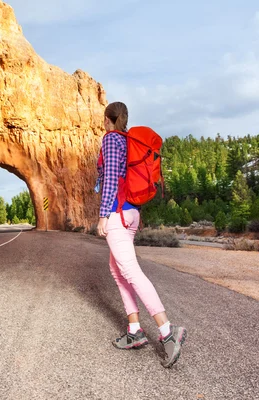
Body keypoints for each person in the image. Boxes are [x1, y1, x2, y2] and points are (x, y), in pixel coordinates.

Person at [95, 101, 187, 368]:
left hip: (117, 215)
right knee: (117, 270)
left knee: (131, 272)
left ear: (107, 119)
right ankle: (135, 331)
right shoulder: (127, 141)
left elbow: (111, 179)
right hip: (131, 213)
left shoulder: (112, 139)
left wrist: (103, 215)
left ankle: (168, 332)